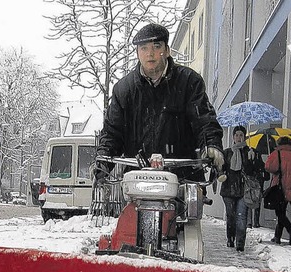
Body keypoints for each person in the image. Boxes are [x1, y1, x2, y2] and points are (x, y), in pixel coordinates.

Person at [95, 23, 224, 180]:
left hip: (183, 177)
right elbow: (112, 132)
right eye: (144, 48)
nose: (150, 53)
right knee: (126, 205)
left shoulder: (189, 81)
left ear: (167, 50)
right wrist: (103, 159)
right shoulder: (124, 89)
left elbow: (203, 120)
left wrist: (211, 145)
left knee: (191, 202)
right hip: (137, 177)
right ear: (137, 53)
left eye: (156, 46)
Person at [219, 125, 265, 251]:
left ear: (244, 137)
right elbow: (221, 169)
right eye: (237, 135)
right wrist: (221, 174)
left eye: (241, 135)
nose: (239, 138)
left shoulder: (250, 152)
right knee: (231, 216)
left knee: (241, 217)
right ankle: (230, 238)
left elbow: (257, 171)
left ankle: (240, 243)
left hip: (244, 190)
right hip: (228, 190)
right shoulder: (227, 152)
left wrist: (253, 159)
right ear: (233, 137)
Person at [265, 136, 291, 245]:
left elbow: (269, 168)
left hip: (280, 186)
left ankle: (290, 228)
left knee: (279, 212)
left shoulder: (276, 154)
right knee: (281, 211)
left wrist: (270, 158)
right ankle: (277, 237)